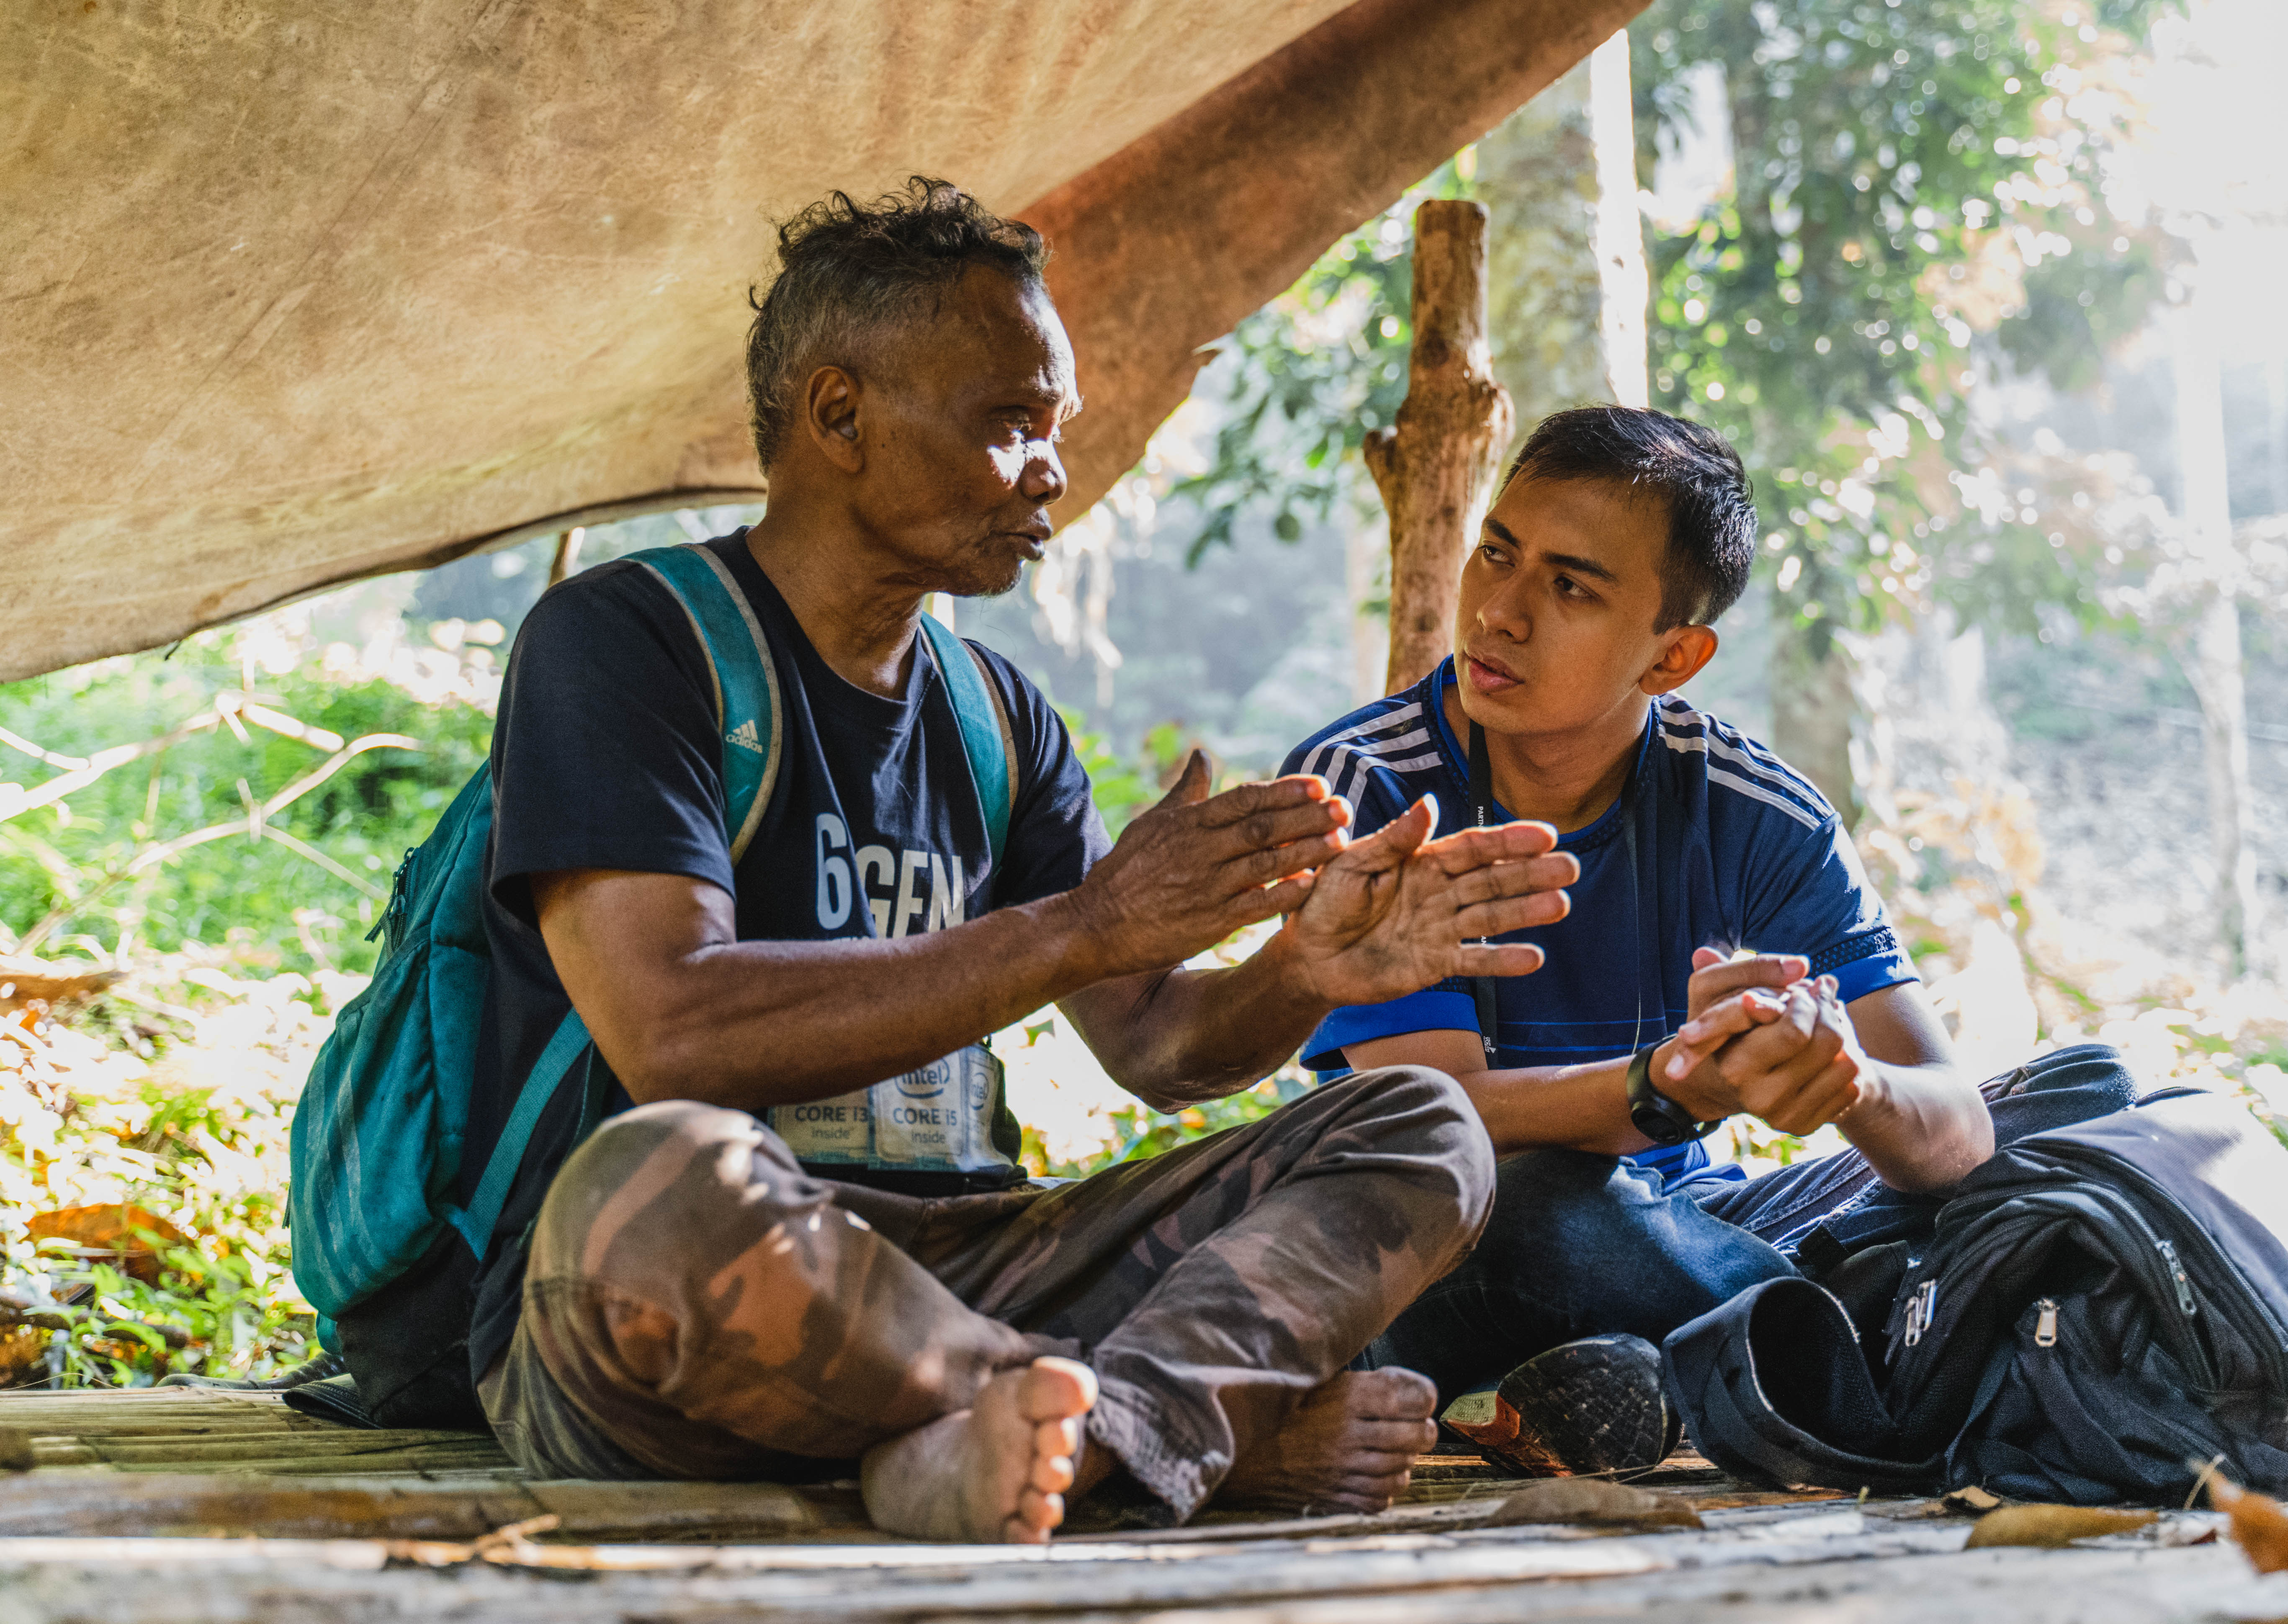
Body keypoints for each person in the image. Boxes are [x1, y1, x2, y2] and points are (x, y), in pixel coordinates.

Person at [336, 179, 1583, 1544]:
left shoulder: (999, 720)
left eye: (1055, 429)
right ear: (839, 417)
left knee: (1422, 1126)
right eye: (1008, 424)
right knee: (661, 1191)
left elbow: (1160, 1048)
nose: (1051, 470)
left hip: (975, 1276)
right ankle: (1173, 1437)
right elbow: (672, 1031)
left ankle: (1037, 1438)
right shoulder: (628, 645)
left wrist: (1304, 972)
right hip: (678, 1298)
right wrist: (1078, 927)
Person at [1282, 405, 2135, 1473]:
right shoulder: (1373, 789)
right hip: (1426, 1247)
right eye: (1497, 553)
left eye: (1570, 586)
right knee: (1540, 1202)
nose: (1499, 611)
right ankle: (1867, 1371)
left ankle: (1668, 1368)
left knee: (2080, 1092)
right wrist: (1670, 1085)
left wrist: (1845, 1081)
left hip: (1685, 1229)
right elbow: (1436, 1120)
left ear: (1674, 656)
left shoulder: (1758, 810)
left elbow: (1954, 1132)